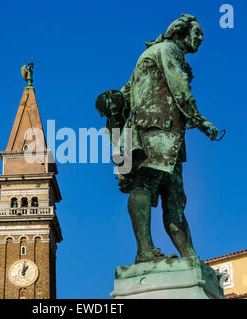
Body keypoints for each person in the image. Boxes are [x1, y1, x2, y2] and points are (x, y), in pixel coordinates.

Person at [99, 14, 221, 264]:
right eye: (197, 33)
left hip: (168, 138)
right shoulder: (167, 49)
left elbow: (124, 94)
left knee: (175, 200)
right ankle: (144, 250)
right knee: (144, 183)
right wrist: (199, 120)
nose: (200, 39)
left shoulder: (159, 54)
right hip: (152, 131)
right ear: (180, 32)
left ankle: (191, 259)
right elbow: (178, 85)